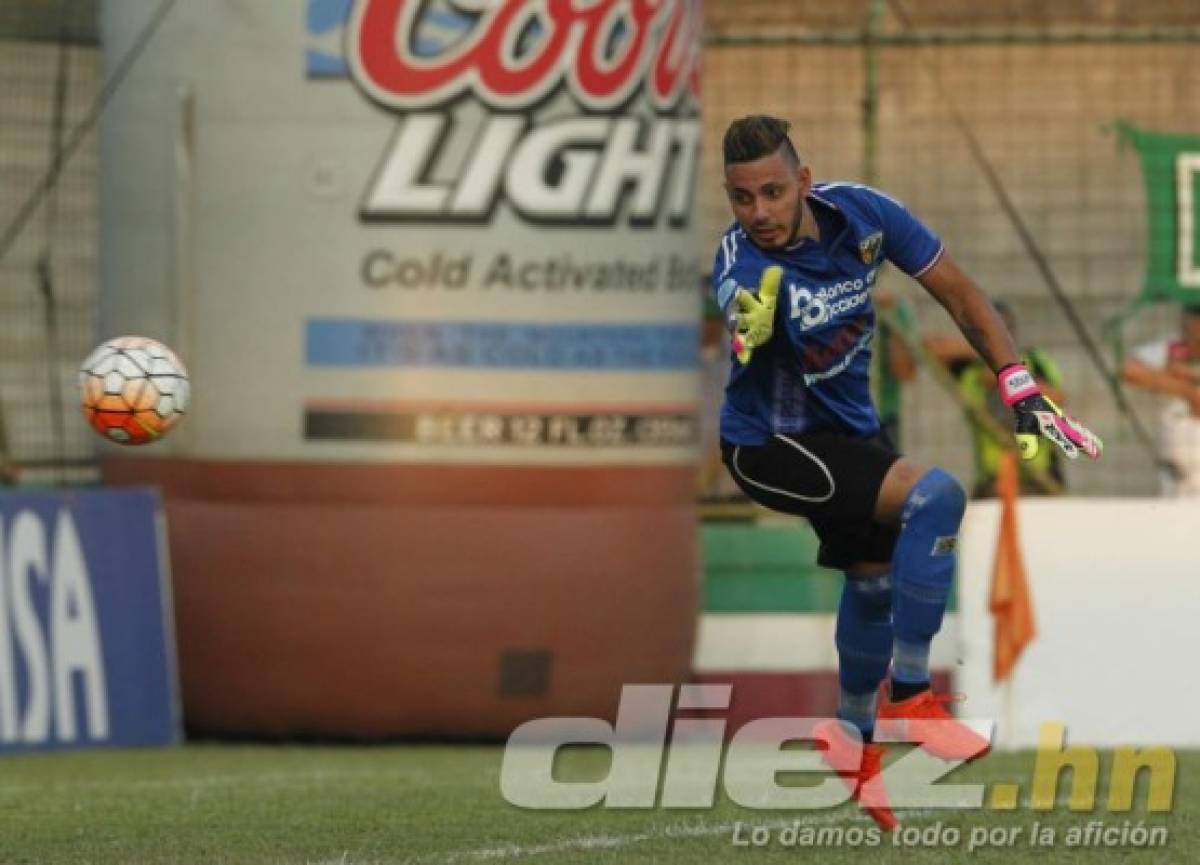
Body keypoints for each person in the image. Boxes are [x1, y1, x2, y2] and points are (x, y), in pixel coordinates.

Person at [712, 115, 1102, 830]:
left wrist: (1018, 384)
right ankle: (913, 698)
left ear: (803, 181)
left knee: (873, 578)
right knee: (938, 495)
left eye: (771, 191)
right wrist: (750, 322)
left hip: (850, 437)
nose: (759, 212)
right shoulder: (741, 262)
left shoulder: (865, 214)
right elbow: (739, 316)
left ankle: (851, 736)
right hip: (770, 445)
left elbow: (960, 292)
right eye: (742, 198)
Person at [925, 299, 1067, 497]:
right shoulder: (971, 369)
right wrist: (982, 351)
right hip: (992, 480)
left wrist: (1008, 377)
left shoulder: (1033, 360)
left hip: (1037, 478)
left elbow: (1057, 397)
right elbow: (929, 347)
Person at [1120, 304, 1200, 496]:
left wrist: (1189, 375)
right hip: (1178, 467)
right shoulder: (1172, 347)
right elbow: (1129, 370)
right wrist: (1184, 389)